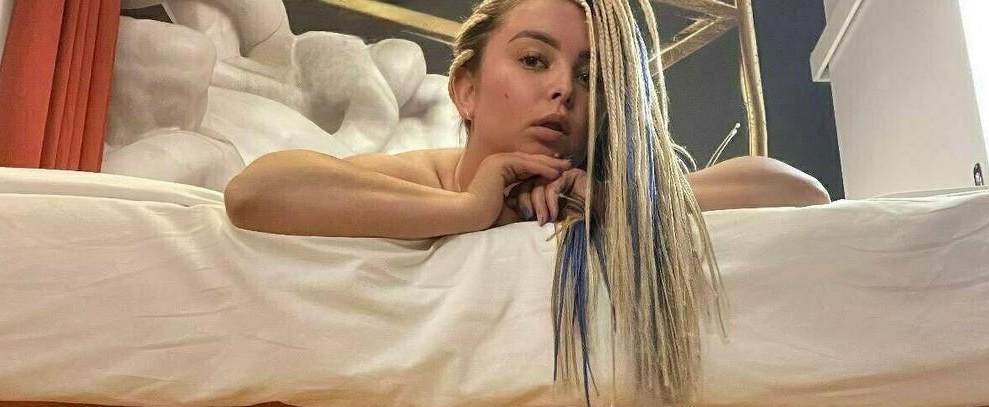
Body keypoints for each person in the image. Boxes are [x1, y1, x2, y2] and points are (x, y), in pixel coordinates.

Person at [223, 0, 830, 239]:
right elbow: (255, 192)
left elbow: (801, 193)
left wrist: (613, 201)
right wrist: (469, 209)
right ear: (465, 89)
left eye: (590, 76)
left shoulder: (602, 190)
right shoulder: (425, 176)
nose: (564, 88)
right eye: (534, 60)